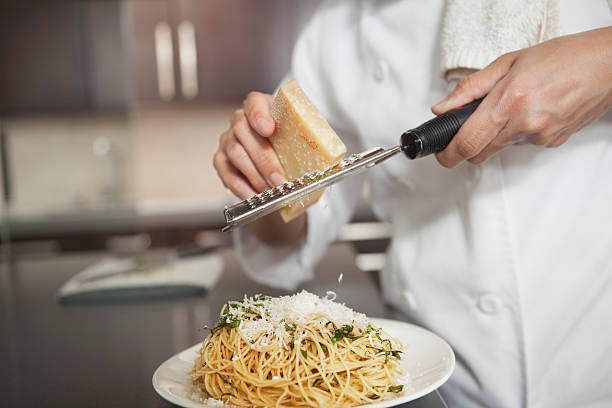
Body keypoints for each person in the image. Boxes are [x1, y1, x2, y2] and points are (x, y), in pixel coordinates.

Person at [213, 1, 612, 406]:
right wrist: (263, 180)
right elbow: (287, 240)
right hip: (433, 377)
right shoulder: (334, 34)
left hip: (597, 355)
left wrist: (604, 60)